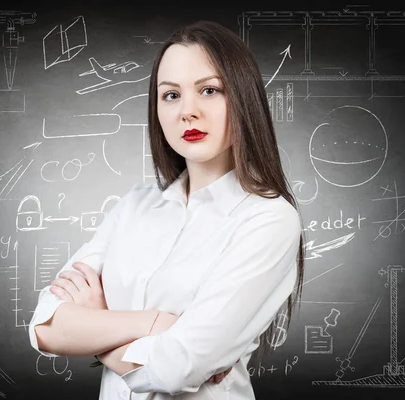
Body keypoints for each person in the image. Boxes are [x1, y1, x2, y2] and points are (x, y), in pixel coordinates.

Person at [29, 19, 305, 399]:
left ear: (243, 99)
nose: (187, 112)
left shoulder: (268, 219)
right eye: (171, 95)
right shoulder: (133, 207)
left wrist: (96, 323)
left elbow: (174, 369)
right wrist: (155, 323)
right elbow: (44, 328)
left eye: (209, 90)